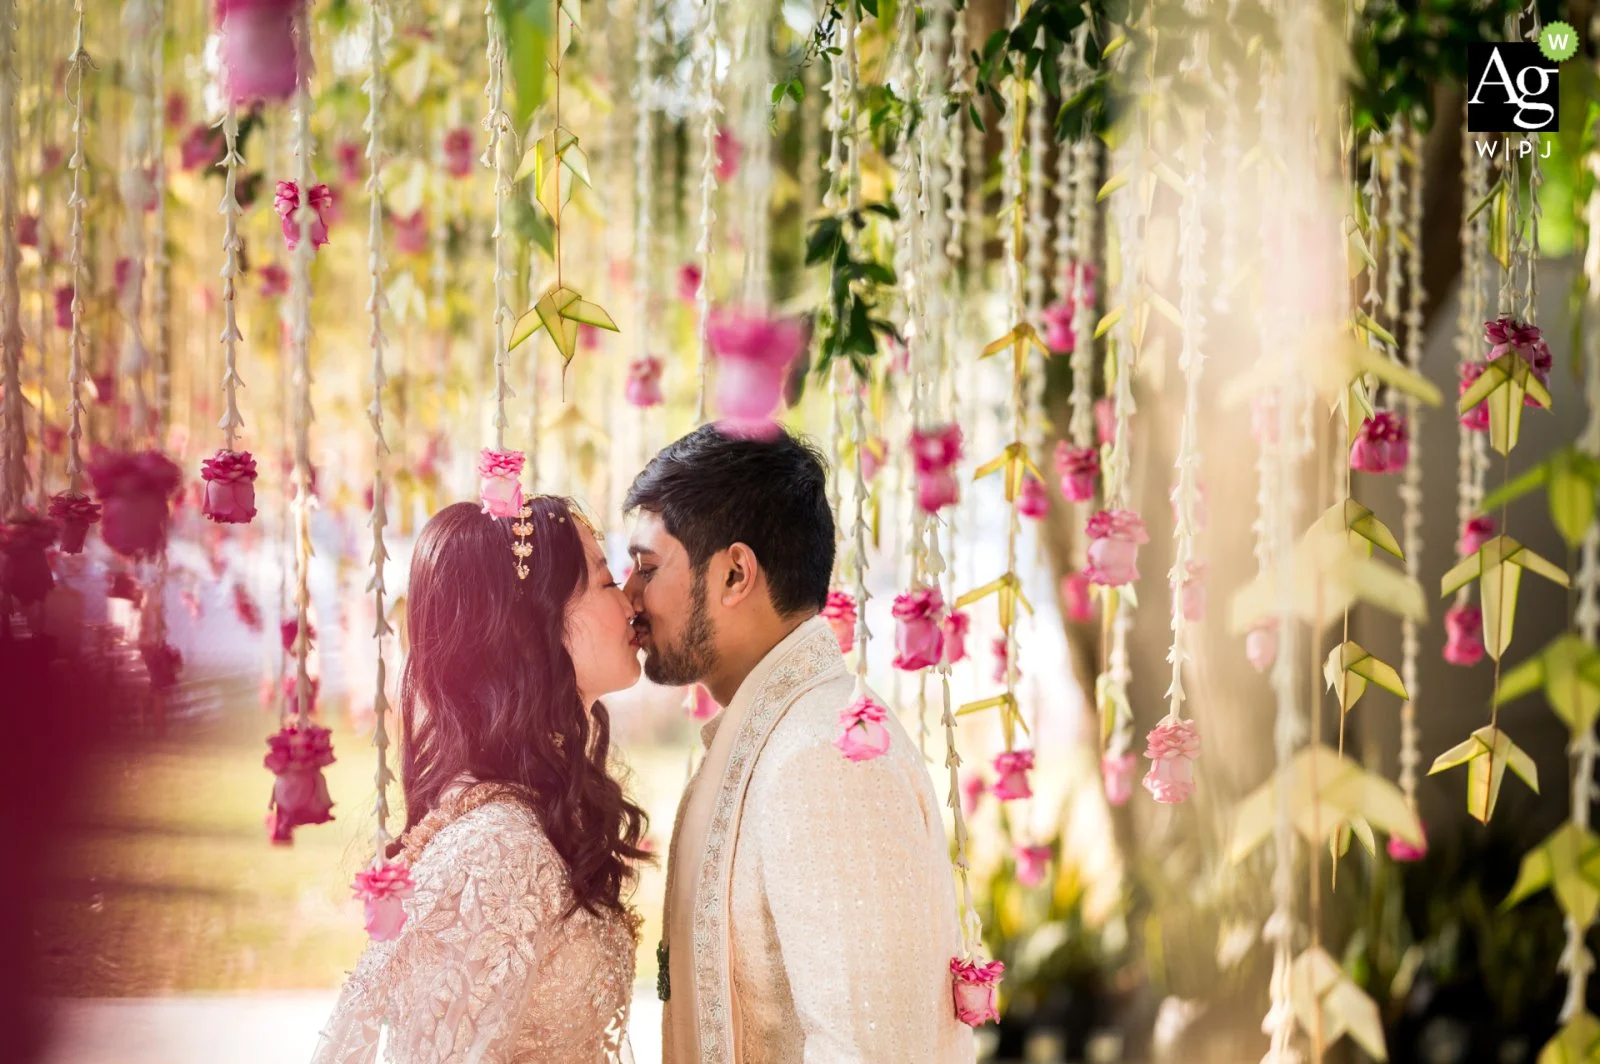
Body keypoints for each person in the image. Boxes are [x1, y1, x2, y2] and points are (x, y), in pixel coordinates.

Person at [624, 424, 974, 1063]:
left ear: (735, 574)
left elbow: (868, 1051)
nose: (630, 597)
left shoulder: (828, 756)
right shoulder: (776, 737)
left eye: (647, 567)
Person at [312, 497, 650, 1063]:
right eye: (606, 581)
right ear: (535, 628)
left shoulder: (529, 815)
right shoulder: (497, 849)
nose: (632, 603)